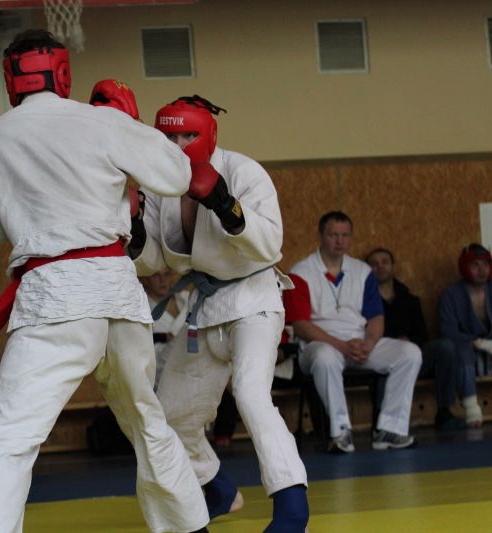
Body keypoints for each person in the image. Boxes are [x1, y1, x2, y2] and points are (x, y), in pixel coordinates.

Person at [0, 32, 210, 533]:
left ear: (10, 79)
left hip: (54, 295)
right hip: (117, 290)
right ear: (62, 72)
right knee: (146, 420)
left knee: (8, 439)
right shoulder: (103, 121)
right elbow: (178, 176)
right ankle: (189, 527)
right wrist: (125, 140)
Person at [135, 95, 308, 532]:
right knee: (171, 413)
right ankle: (217, 489)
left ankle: (293, 510)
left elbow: (269, 244)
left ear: (208, 135)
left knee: (250, 393)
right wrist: (134, 228)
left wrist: (225, 204)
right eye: (169, 136)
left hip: (254, 299)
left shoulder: (243, 172)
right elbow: (153, 260)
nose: (177, 145)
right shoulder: (159, 185)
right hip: (205, 306)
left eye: (187, 135)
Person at [288, 211, 421, 454]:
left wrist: (368, 344)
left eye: (345, 235)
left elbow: (376, 317)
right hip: (320, 345)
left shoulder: (362, 271)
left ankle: (389, 430)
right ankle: (340, 432)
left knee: (410, 353)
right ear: (320, 236)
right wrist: (341, 346)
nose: (340, 241)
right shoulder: (300, 272)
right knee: (325, 358)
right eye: (333, 235)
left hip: (359, 344)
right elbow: (300, 325)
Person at [365, 247, 466, 430]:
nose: (380, 267)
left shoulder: (410, 300)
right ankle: (382, 423)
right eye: (374, 264)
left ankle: (444, 411)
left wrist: (409, 342)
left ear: (393, 266)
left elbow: (422, 335)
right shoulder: (363, 302)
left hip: (414, 355)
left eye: (385, 262)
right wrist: (392, 344)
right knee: (384, 367)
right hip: (381, 355)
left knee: (445, 347)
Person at [430, 243, 492, 427]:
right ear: (465, 267)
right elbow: (448, 331)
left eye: (485, 264)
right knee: (461, 352)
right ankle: (472, 409)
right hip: (467, 351)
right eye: (475, 265)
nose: (481, 270)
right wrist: (479, 343)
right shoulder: (451, 295)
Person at [140, 269, 190, 388]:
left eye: (166, 274)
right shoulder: (141, 309)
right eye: (155, 275)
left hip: (193, 368)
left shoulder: (187, 299)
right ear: (146, 279)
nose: (162, 280)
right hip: (161, 372)